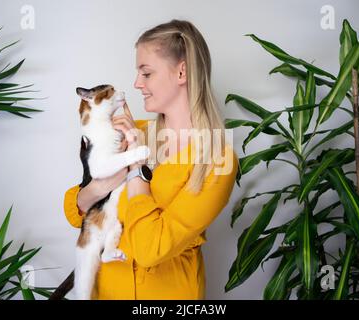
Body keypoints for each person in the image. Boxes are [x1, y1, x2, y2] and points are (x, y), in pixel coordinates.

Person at [63, 19, 238, 299]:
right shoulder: (138, 132)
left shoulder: (217, 160)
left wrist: (135, 166)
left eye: (146, 73)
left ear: (182, 72)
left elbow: (148, 249)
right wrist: (98, 187)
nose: (136, 83)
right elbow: (75, 209)